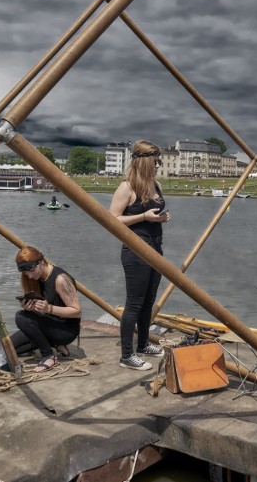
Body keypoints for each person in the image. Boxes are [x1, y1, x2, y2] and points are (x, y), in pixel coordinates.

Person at [110, 140, 170, 371]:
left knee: (148, 302)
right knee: (134, 304)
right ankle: (127, 355)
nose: (158, 165)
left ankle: (144, 344)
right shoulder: (127, 187)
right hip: (136, 250)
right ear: (145, 162)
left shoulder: (155, 185)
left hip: (156, 247)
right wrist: (144, 217)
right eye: (156, 162)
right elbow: (113, 219)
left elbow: (151, 213)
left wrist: (160, 218)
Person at [8, 246, 82, 372]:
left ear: (41, 262)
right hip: (49, 325)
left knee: (20, 317)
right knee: (8, 351)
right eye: (26, 273)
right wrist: (30, 307)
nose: (29, 276)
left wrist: (49, 309)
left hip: (66, 330)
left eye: (31, 271)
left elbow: (77, 312)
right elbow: (40, 312)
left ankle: (48, 355)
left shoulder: (60, 279)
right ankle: (54, 344)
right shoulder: (34, 279)